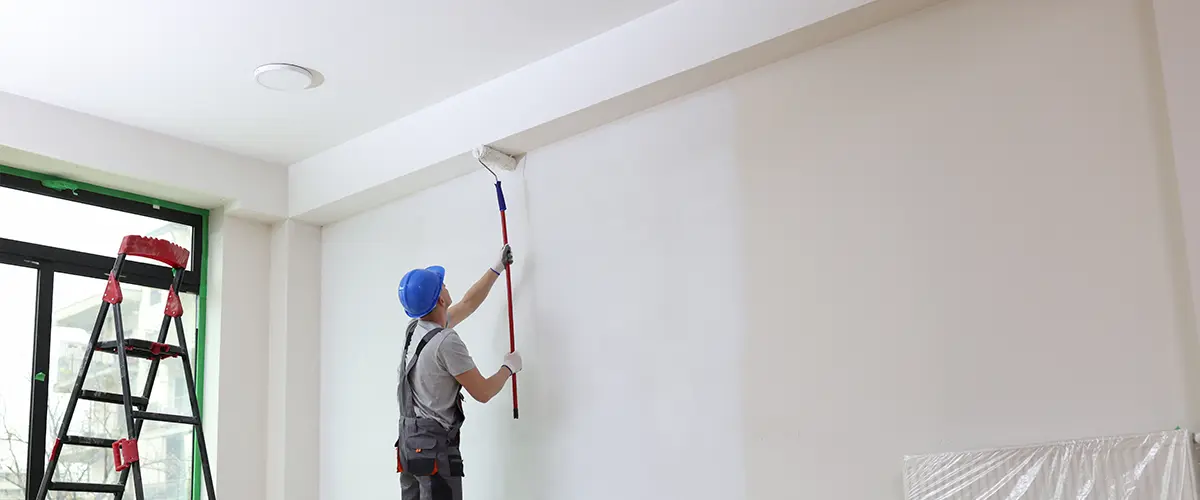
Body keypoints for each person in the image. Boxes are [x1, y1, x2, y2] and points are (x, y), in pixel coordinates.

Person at [395, 244, 522, 500]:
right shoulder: (446, 342)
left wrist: (496, 268)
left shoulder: (416, 329)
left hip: (409, 447)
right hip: (434, 453)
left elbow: (467, 303)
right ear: (441, 299)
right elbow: (483, 392)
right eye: (442, 284)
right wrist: (508, 367)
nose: (445, 285)